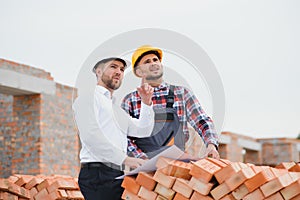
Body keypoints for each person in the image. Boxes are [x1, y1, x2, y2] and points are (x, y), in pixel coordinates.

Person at [72, 57, 154, 200]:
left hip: (117, 173)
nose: (118, 72)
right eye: (113, 67)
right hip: (98, 175)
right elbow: (91, 136)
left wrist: (146, 103)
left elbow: (143, 130)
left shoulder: (116, 109)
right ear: (98, 71)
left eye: (122, 69)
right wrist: (126, 159)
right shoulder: (88, 98)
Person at [121, 45, 220, 160]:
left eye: (155, 60)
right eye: (147, 62)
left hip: (177, 164)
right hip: (143, 169)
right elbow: (122, 136)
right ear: (139, 71)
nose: (153, 63)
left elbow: (201, 121)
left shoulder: (182, 93)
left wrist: (211, 145)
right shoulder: (129, 100)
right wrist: (142, 160)